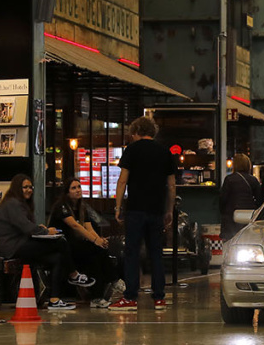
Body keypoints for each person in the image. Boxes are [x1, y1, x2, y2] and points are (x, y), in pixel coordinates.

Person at [0, 173, 92, 310]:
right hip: (14, 247)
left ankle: (54, 300)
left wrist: (40, 229)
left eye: (30, 187)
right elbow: (26, 227)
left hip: (20, 244)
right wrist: (46, 232)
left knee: (57, 258)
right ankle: (73, 274)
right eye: (25, 187)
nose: (29, 190)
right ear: (17, 188)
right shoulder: (12, 203)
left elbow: (25, 226)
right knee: (60, 242)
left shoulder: (17, 203)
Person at [113, 116, 177, 308]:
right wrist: (169, 210)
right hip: (156, 210)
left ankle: (130, 297)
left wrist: (118, 207)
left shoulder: (132, 150)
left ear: (137, 131)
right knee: (156, 253)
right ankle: (159, 297)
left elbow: (122, 181)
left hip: (135, 209)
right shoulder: (165, 152)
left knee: (132, 253)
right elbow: (172, 186)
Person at [48, 178, 123, 307]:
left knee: (98, 252)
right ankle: (113, 280)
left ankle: (98, 296)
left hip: (76, 245)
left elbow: (89, 228)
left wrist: (99, 240)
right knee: (95, 249)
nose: (78, 190)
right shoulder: (62, 207)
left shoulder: (82, 207)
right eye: (74, 188)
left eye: (79, 187)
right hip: (62, 247)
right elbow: (76, 226)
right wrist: (95, 241)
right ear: (67, 192)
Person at [220, 154, 262, 240]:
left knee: (231, 242)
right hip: (248, 217)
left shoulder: (229, 179)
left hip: (231, 218)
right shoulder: (253, 180)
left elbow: (223, 200)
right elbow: (259, 199)